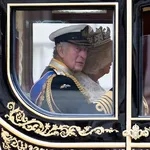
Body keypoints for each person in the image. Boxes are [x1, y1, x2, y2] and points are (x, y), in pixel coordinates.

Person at [30, 24, 111, 114]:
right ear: (61, 50)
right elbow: (88, 115)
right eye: (78, 49)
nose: (83, 56)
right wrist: (114, 94)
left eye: (85, 50)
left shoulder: (54, 74)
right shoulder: (59, 81)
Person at [75, 26, 113, 114]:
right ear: (99, 60)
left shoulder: (92, 81)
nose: (112, 61)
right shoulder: (80, 85)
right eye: (109, 56)